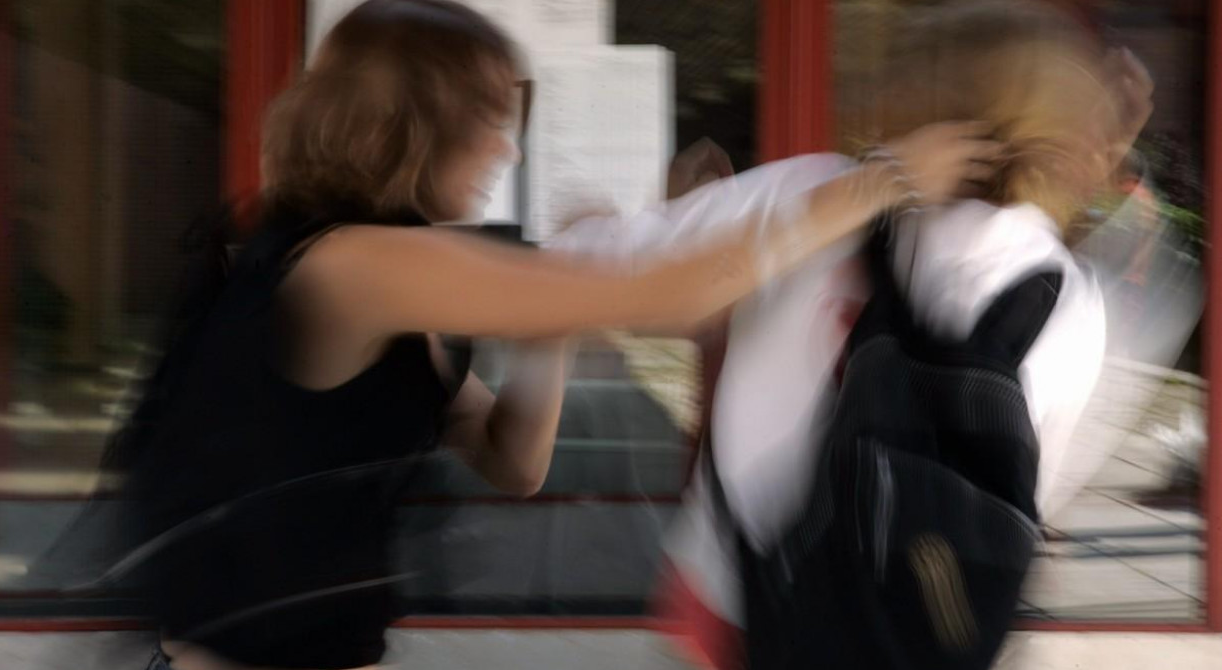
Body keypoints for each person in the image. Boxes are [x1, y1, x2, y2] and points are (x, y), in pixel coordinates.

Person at [102, 1, 998, 669]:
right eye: (492, 122)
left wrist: (555, 312)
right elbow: (669, 291)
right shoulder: (350, 264)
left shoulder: (372, 275)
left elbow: (512, 459)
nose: (510, 153)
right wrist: (881, 182)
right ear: (422, 121)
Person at [552, 2, 1155, 667]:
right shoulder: (1071, 304)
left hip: (737, 607)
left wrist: (598, 221)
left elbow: (592, 270)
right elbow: (1026, 490)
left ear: (912, 98)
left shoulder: (815, 194)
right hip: (909, 634)